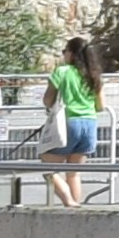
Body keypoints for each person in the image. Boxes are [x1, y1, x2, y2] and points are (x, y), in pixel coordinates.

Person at [43, 34, 105, 208]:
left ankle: (68, 201)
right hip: (90, 123)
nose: (64, 55)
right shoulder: (94, 75)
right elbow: (101, 106)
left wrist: (51, 106)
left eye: (65, 51)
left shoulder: (62, 71)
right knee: (74, 173)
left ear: (72, 53)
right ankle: (75, 208)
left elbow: (48, 99)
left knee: (47, 169)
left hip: (68, 122)